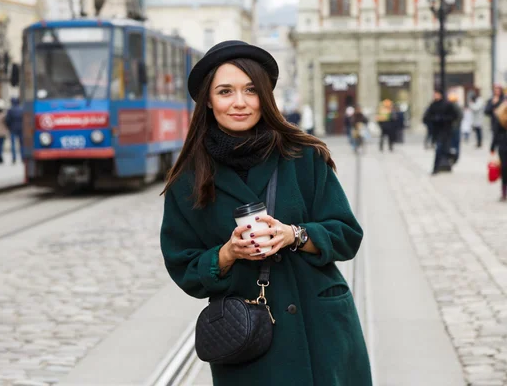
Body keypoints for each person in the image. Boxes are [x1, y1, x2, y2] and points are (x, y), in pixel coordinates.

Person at [160, 40, 372, 385]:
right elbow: (183, 265)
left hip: (319, 329)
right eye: (225, 91)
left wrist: (296, 235)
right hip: (248, 343)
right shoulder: (189, 178)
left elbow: (347, 235)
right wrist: (227, 254)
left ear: (265, 97)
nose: (239, 102)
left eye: (250, 90)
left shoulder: (303, 156)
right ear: (208, 102)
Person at [423, 90, 460, 175]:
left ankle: (440, 165)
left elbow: (455, 116)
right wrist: (433, 120)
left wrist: (443, 119)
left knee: (442, 149)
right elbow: (427, 117)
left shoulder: (447, 104)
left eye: (437, 94)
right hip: (437, 132)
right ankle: (437, 167)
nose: (435, 96)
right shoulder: (433, 105)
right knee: (440, 149)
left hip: (446, 131)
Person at [490, 111, 507, 201]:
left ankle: (504, 192)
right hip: (503, 146)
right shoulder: (500, 117)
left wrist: (492, 147)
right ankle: (504, 192)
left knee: (504, 168)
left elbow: (495, 134)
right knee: (504, 168)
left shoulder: (500, 117)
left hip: (503, 146)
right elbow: (496, 133)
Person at [6, 97, 24, 164]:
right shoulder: (22, 109)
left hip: (13, 129)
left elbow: (7, 120)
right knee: (22, 144)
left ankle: (14, 158)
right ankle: (22, 157)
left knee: (13, 145)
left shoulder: (10, 110)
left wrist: (9, 127)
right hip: (21, 129)